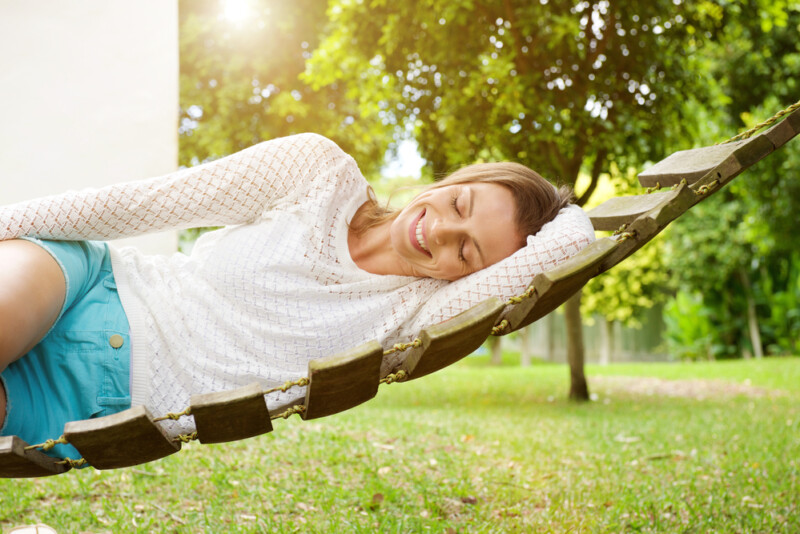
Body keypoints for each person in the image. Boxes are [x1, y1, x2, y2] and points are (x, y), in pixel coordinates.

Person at [0, 133, 574, 461]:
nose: (442, 231)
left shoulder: (416, 315)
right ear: (453, 180)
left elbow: (568, 245)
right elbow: (144, 204)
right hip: (87, 283)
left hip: (101, 403)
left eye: (468, 252)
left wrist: (566, 213)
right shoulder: (315, 171)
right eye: (460, 204)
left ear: (469, 278)